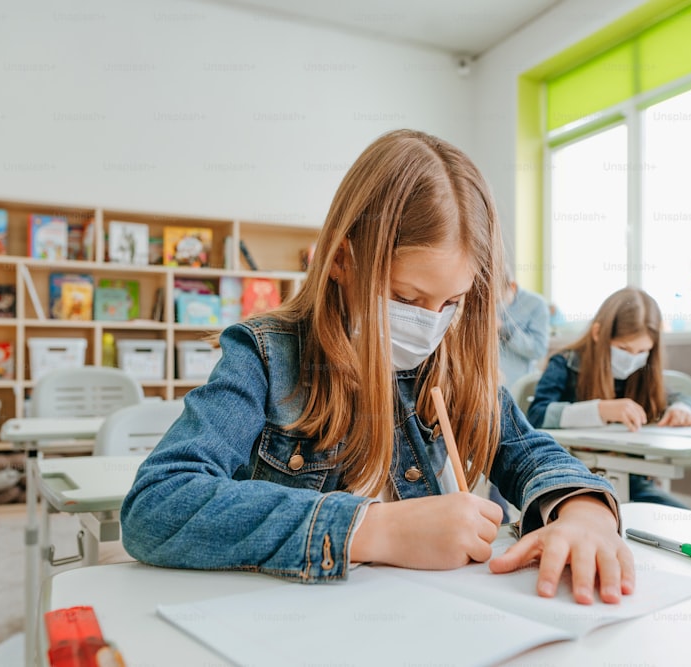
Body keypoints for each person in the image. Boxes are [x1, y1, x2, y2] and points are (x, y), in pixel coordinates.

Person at [121, 129, 634, 605]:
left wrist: (585, 513)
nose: (431, 326)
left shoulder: (450, 366)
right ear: (343, 260)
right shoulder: (266, 357)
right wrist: (378, 529)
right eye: (408, 298)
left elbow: (530, 453)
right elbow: (156, 506)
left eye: (451, 301)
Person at [526, 287, 691, 508]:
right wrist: (601, 410)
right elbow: (537, 415)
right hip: (572, 479)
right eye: (623, 348)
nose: (632, 359)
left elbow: (680, 397)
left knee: (684, 518)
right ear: (598, 333)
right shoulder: (565, 363)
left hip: (632, 481)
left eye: (642, 351)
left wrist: (683, 408)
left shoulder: (643, 372)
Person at [498, 269, 550, 391]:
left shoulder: (537, 304)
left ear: (512, 286)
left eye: (497, 299)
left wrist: (503, 329)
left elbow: (539, 350)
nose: (495, 304)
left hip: (516, 386)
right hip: (486, 384)